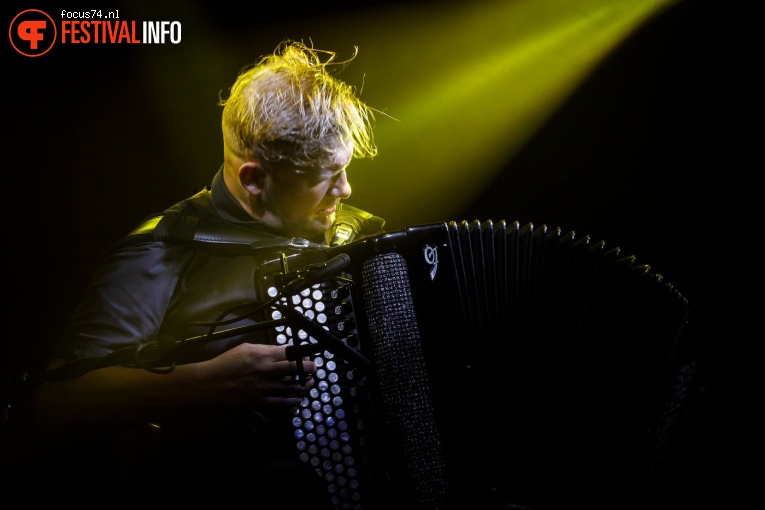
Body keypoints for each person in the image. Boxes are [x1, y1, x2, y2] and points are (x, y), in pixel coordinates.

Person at [25, 40, 385, 509]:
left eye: (344, 168)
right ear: (254, 180)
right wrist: (202, 383)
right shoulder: (160, 253)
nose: (346, 188)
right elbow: (54, 406)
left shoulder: (346, 228)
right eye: (326, 176)